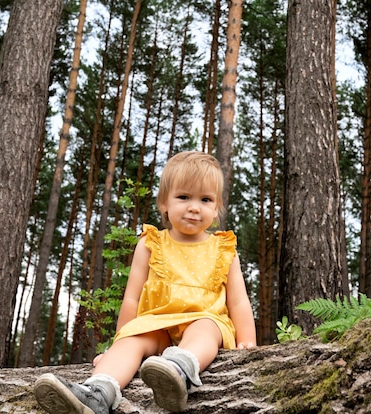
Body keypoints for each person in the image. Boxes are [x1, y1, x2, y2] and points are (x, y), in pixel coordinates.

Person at [34, 151, 257, 414]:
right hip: (157, 324)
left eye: (205, 199)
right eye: (184, 197)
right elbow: (132, 299)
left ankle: (178, 370)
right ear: (164, 202)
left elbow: (239, 301)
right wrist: (119, 344)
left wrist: (247, 343)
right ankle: (97, 393)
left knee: (205, 327)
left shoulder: (223, 248)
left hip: (205, 321)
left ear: (216, 207)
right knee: (135, 338)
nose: (194, 207)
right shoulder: (151, 243)